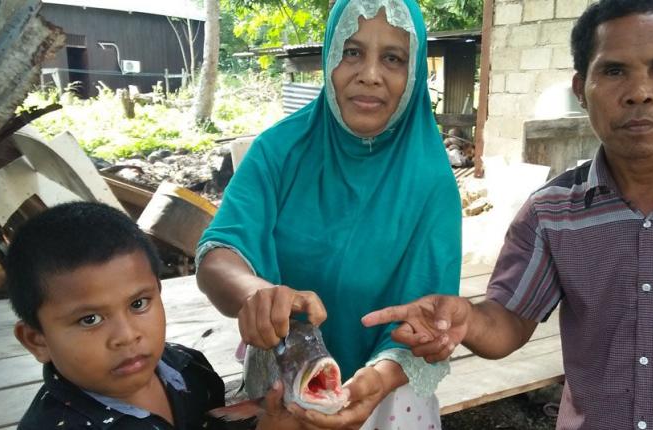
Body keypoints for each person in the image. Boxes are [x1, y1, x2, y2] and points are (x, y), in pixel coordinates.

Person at [363, 1, 653, 429]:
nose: (639, 91)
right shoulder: (553, 211)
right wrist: (467, 319)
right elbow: (510, 320)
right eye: (614, 71)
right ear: (580, 88)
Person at [195, 0, 462, 428]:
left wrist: (378, 379)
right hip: (284, 388)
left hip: (386, 392)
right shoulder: (278, 150)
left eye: (392, 58)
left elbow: (429, 318)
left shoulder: (431, 180)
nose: (370, 74)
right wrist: (256, 295)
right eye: (352, 52)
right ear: (328, 58)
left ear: (412, 75)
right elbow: (218, 254)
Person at [7, 202, 290, 429]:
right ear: (37, 340)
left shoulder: (188, 368)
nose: (127, 335)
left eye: (139, 303)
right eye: (89, 319)